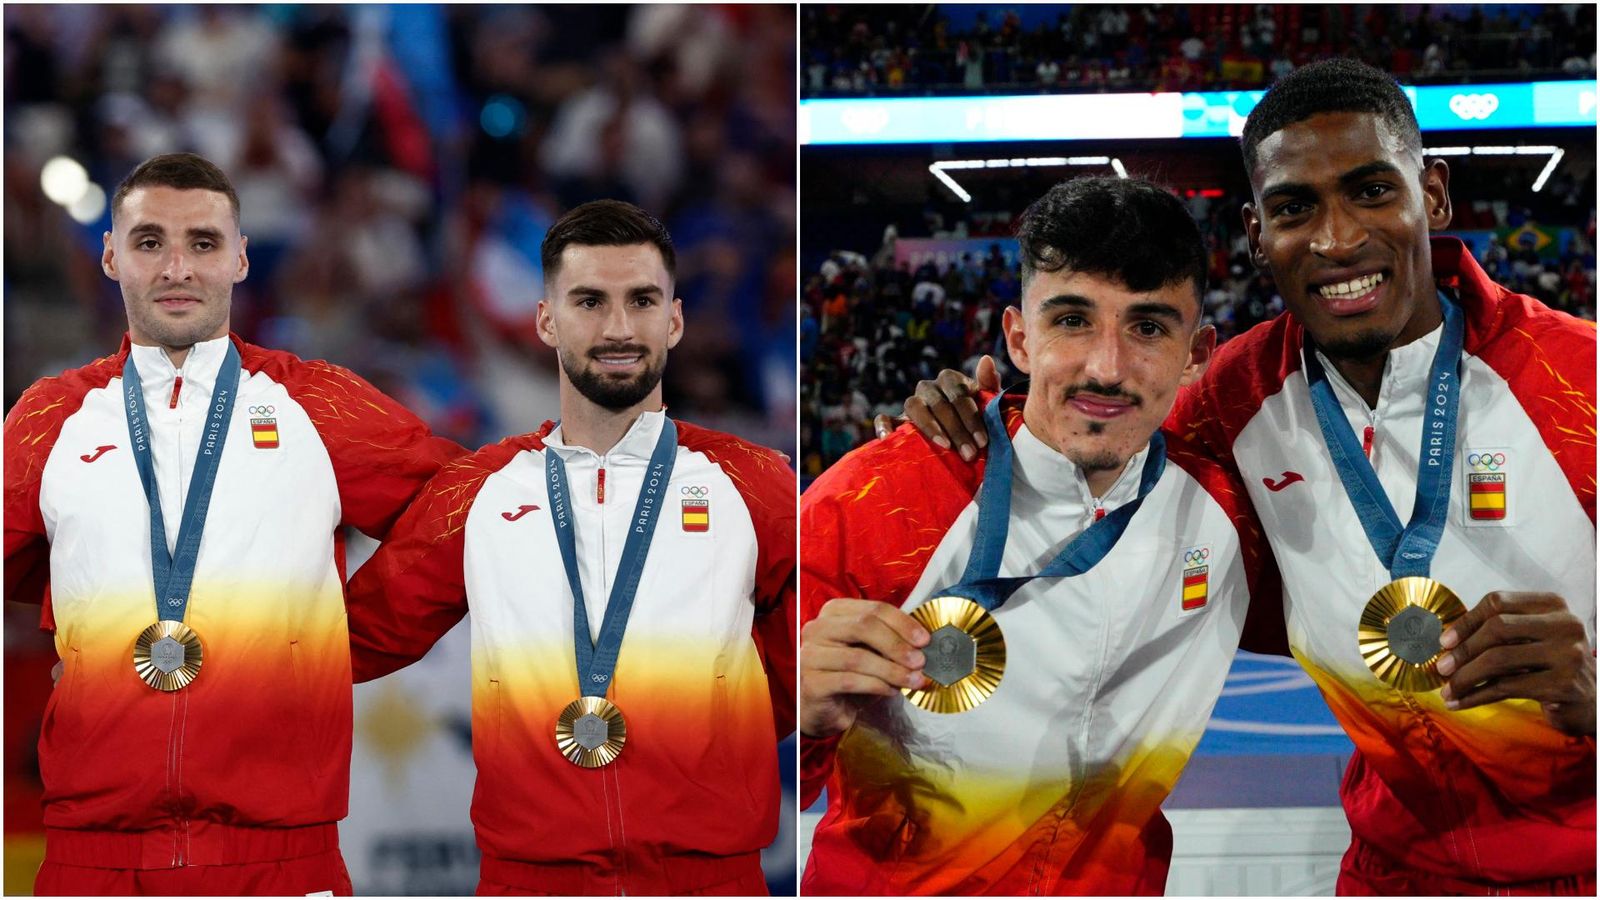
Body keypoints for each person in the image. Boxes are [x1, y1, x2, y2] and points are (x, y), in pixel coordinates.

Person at [894, 58, 1596, 895]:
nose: (1337, 238)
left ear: (1433, 195)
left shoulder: (1578, 385)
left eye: (1372, 191)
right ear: (1259, 236)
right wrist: (972, 415)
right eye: (1296, 207)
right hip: (1393, 868)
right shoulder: (1233, 394)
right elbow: (1098, 436)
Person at [800, 176, 1282, 895]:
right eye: (1071, 321)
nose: (1107, 367)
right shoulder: (873, 500)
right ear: (1020, 337)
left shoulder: (1228, 514)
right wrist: (798, 717)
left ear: (1197, 353)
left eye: (1148, 327)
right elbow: (726, 763)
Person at [2, 153, 464, 895]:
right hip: (97, 861)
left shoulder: (318, 405)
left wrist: (348, 637)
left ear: (242, 258)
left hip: (281, 860)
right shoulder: (52, 416)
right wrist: (78, 628)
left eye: (205, 243)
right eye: (150, 242)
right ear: (112, 255)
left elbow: (467, 514)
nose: (177, 266)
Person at [343, 200, 797, 896]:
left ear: (673, 319)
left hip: (710, 877)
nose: (618, 328)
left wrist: (703, 749)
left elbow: (800, 668)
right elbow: (350, 637)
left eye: (641, 300)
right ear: (546, 319)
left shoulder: (754, 483)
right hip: (533, 880)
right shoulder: (479, 491)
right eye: (589, 301)